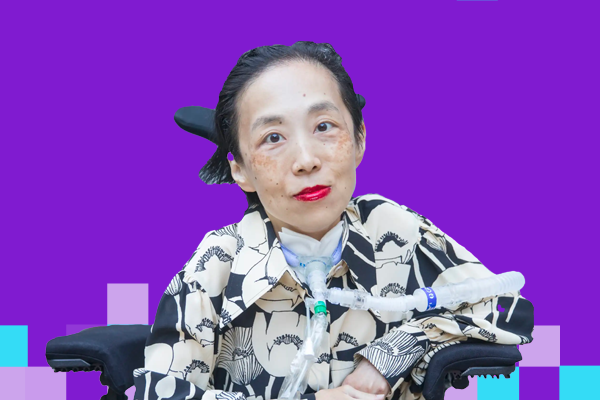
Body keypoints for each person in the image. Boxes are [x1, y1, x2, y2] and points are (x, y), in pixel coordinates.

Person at [132, 41, 534, 400]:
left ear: (359, 138)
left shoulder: (392, 230)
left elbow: (507, 307)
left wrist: (390, 354)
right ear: (240, 170)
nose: (306, 160)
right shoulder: (218, 260)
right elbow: (163, 391)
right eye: (273, 137)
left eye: (324, 127)